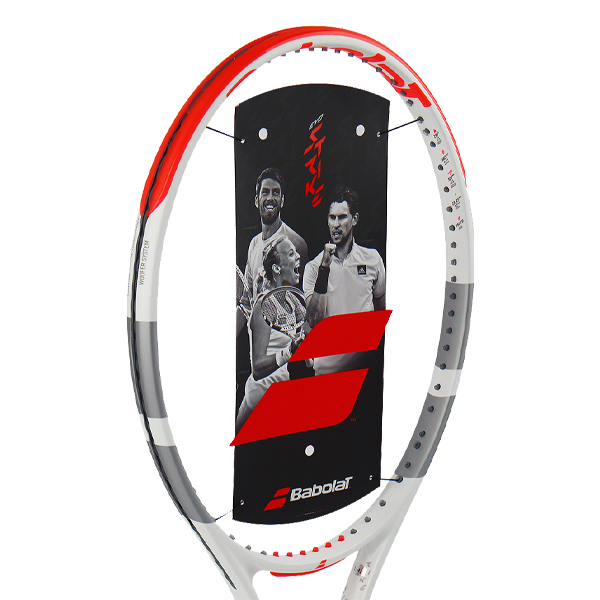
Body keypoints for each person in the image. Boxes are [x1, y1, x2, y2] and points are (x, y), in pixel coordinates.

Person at [303, 185, 386, 375]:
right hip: (327, 372)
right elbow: (313, 321)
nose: (336, 224)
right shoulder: (314, 267)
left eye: (342, 217)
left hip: (366, 370)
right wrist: (325, 268)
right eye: (332, 217)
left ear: (354, 219)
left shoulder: (373, 259)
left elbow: (380, 311)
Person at [235, 236, 304, 433]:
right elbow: (257, 368)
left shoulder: (292, 300)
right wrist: (289, 352)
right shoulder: (262, 305)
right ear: (276, 268)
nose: (298, 256)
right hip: (258, 404)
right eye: (291, 254)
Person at [236, 168, 308, 335]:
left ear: (282, 201)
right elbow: (246, 302)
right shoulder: (254, 245)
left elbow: (304, 307)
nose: (270, 198)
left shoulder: (296, 243)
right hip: (257, 345)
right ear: (257, 200)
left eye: (275, 193)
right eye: (265, 192)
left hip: (286, 345)